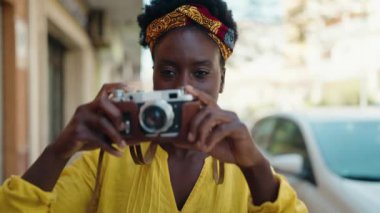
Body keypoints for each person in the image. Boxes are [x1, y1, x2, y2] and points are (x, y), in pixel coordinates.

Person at [0, 0, 307, 212]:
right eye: (168, 72)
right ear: (153, 76)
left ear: (221, 81)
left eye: (201, 73)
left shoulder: (244, 167)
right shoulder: (108, 159)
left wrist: (254, 166)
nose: (184, 89)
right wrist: (59, 151)